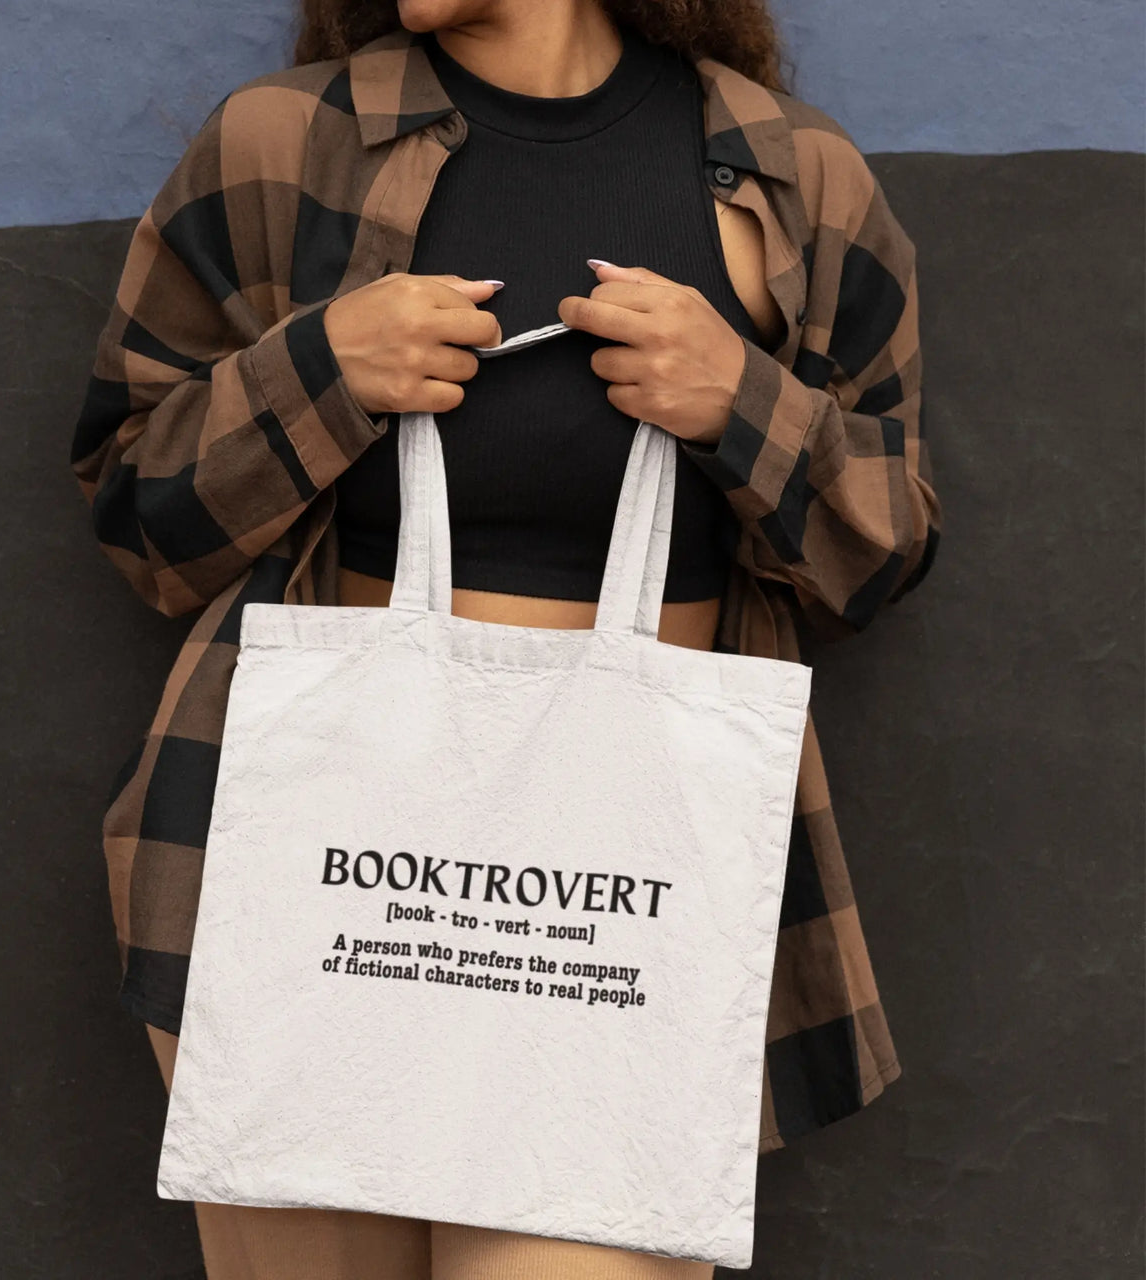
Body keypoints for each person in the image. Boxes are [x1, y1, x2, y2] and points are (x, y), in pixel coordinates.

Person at [70, 0, 941, 1275]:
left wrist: (738, 400)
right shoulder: (283, 144)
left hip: (614, 887)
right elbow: (138, 519)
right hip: (312, 873)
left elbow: (880, 551)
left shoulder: (788, 175)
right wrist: (321, 368)